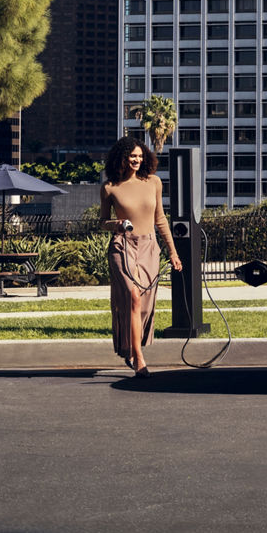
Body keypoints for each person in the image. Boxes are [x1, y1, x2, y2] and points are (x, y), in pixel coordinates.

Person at [99, 136, 181, 377]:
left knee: (143, 305)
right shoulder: (109, 187)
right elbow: (103, 222)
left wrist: (173, 252)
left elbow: (160, 220)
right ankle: (139, 359)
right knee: (133, 297)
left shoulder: (153, 182)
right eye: (132, 156)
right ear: (121, 158)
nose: (136, 160)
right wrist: (117, 224)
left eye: (139, 156)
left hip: (149, 247)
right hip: (121, 246)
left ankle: (131, 348)